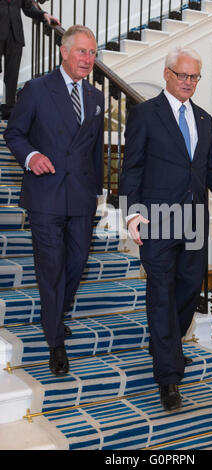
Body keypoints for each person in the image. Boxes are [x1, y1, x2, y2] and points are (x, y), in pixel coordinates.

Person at [119, 47, 212, 412]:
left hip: (193, 222)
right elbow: (132, 169)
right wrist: (132, 215)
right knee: (161, 294)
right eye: (183, 75)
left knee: (188, 291)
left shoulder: (203, 119)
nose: (189, 82)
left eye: (195, 77)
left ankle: (167, 347)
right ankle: (169, 377)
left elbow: (210, 170)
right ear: (167, 73)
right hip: (156, 220)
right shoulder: (144, 114)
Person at [4, 25, 104, 376]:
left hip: (80, 197)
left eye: (92, 53)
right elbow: (13, 133)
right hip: (45, 195)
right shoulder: (36, 89)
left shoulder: (95, 97)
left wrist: (97, 192)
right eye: (82, 52)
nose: (88, 59)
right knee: (51, 268)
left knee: (75, 266)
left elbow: (94, 150)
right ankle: (55, 342)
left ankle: (56, 315)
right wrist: (31, 157)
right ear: (64, 52)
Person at [0, 0, 60, 120]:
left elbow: (28, 8)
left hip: (15, 35)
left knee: (12, 75)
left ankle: (8, 109)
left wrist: (43, 14)